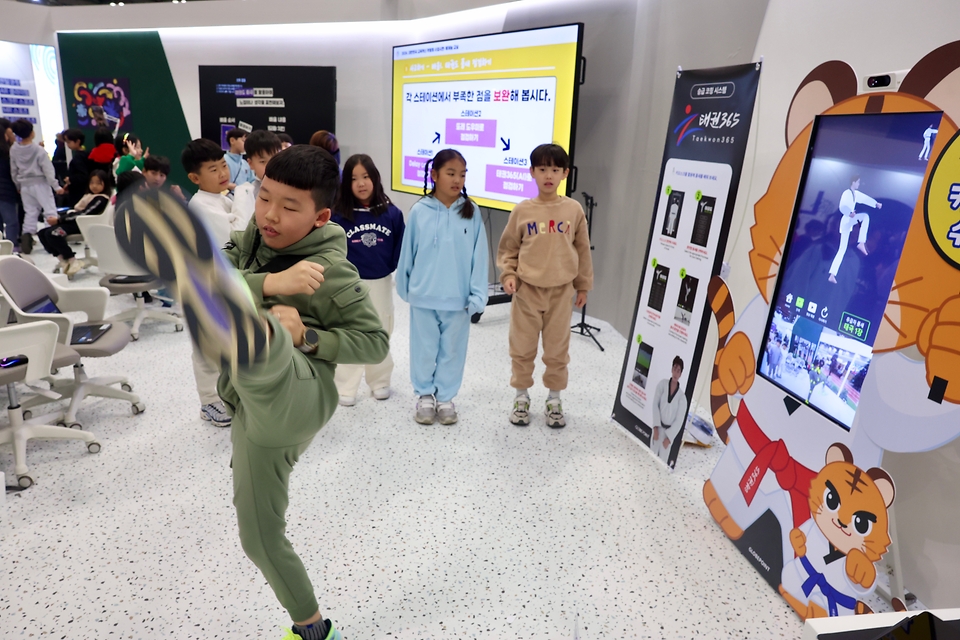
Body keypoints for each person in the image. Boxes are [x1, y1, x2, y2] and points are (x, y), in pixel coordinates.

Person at [114, 144, 387, 640]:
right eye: (265, 198)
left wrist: (307, 334)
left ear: (321, 215)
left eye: (289, 207)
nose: (270, 215)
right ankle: (313, 631)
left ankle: (257, 335)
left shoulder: (334, 272)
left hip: (301, 388)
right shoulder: (249, 243)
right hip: (251, 411)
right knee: (258, 539)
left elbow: (375, 342)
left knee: (270, 345)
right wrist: (271, 283)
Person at [496, 143, 593, 428]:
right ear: (532, 173)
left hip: (561, 293)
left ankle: (554, 399)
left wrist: (583, 286)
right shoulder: (522, 211)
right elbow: (508, 249)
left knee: (557, 350)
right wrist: (509, 274)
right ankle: (521, 396)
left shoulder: (573, 210)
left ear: (564, 173)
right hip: (527, 291)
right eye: (542, 169)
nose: (548, 175)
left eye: (554, 169)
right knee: (522, 347)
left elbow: (583, 250)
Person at [396, 148, 488, 425]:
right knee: (423, 349)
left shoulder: (471, 212)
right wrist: (406, 289)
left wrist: (477, 295)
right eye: (450, 173)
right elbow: (407, 254)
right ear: (434, 175)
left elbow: (479, 257)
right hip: (424, 297)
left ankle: (446, 397)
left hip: (457, 300)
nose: (457, 179)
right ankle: (424, 395)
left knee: (453, 350)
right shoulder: (420, 212)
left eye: (462, 174)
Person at [331, 154, 405, 406]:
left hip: (381, 281)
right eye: (354, 179)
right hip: (349, 284)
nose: (361, 183)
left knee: (381, 329)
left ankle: (380, 380)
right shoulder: (339, 216)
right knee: (351, 332)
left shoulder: (391, 214)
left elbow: (399, 248)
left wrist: (391, 270)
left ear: (375, 178)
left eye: (366, 177)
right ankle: (346, 385)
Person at [182, 138, 244, 427]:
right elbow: (235, 235)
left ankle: (225, 394)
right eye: (213, 169)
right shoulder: (202, 207)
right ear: (195, 177)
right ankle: (209, 402)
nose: (222, 173)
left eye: (222, 166)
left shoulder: (220, 197)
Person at [38, 169, 111, 277]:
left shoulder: (101, 199)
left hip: (82, 225)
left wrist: (60, 220)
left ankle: (72, 260)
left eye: (98, 183)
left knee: (53, 234)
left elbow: (84, 214)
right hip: (73, 222)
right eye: (92, 182)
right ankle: (63, 260)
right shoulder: (88, 195)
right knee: (42, 233)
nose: (94, 186)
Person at [9, 119, 58, 255]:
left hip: (24, 185)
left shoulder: (14, 149)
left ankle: (27, 235)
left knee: (30, 212)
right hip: (41, 183)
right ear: (31, 133)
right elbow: (48, 170)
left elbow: (14, 170)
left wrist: (17, 185)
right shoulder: (38, 150)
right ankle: (52, 240)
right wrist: (56, 186)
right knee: (49, 211)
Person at [828, 175, 881, 284]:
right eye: (858, 182)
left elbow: (864, 199)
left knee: (842, 249)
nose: (859, 184)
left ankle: (832, 275)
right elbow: (842, 206)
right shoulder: (847, 193)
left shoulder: (855, 194)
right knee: (865, 217)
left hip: (849, 220)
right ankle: (861, 242)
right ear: (853, 182)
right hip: (847, 219)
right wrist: (850, 213)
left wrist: (875, 204)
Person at [233, 130, 281, 228]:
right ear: (250, 164)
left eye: (275, 159)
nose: (270, 166)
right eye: (263, 162)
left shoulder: (291, 188)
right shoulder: (245, 193)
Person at [651, 356, 688, 464]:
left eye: (679, 371)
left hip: (668, 434)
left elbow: (679, 420)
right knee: (651, 454)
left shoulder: (682, 398)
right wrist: (655, 428)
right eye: (675, 369)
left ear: (681, 374)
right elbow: (655, 405)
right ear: (671, 369)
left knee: (662, 462)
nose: (676, 373)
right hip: (657, 428)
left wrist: (670, 438)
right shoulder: (662, 384)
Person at [0, 118, 20, 253]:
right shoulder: (8, 153)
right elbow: (13, 173)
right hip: (5, 192)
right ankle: (11, 250)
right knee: (12, 222)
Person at [59, 128, 90, 208]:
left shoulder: (78, 157)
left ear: (78, 141)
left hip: (78, 193)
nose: (67, 144)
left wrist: (70, 180)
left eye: (69, 142)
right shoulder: (84, 154)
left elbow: (83, 176)